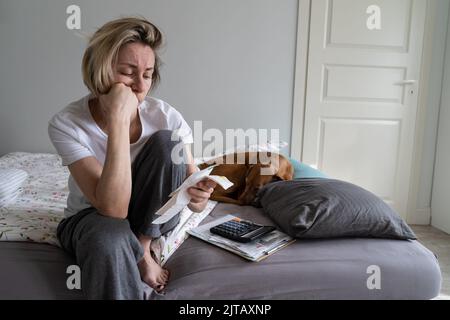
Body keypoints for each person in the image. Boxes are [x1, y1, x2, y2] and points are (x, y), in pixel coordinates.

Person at [48, 17, 217, 300]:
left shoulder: (165, 116)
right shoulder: (67, 123)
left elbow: (191, 182)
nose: (140, 85)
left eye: (148, 74)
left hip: (152, 216)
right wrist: (118, 119)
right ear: (100, 72)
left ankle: (142, 245)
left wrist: (198, 197)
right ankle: (136, 250)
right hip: (93, 218)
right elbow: (112, 210)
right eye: (128, 72)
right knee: (108, 237)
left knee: (167, 141)